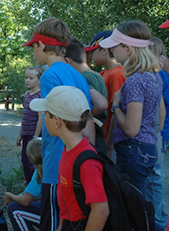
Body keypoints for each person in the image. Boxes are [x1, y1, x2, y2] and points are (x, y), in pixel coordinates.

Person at [22, 17, 92, 231]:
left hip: (58, 165)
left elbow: (57, 121)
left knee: (53, 223)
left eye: (33, 46)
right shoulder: (77, 74)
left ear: (41, 45)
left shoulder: (50, 75)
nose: (33, 52)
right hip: (77, 158)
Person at [99, 20, 165, 197]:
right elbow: (160, 114)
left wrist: (116, 106)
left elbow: (131, 129)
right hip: (148, 147)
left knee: (132, 206)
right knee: (143, 202)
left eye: (114, 46)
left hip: (133, 151)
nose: (111, 51)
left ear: (128, 48)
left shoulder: (135, 81)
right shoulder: (154, 76)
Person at [29, 86, 109, 231]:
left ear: (57, 121)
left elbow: (101, 210)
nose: (44, 119)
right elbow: (66, 203)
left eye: (46, 114)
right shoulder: (67, 150)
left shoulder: (87, 162)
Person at [85, 30, 126, 159]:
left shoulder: (117, 74)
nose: (90, 55)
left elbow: (116, 109)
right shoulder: (103, 74)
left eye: (92, 51)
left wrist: (110, 144)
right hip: (104, 134)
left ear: (104, 50)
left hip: (111, 138)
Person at [65, 37, 108, 154]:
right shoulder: (96, 75)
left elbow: (101, 104)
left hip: (93, 136)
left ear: (67, 61)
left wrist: (88, 116)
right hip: (100, 134)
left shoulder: (82, 78)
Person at [147, 36, 169, 231]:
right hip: (160, 133)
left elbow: (161, 106)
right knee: (156, 177)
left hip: (157, 133)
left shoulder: (157, 75)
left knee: (154, 178)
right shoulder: (160, 73)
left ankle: (158, 221)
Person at [4, 138, 42, 231]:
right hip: (61, 212)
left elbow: (26, 200)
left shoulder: (40, 172)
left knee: (14, 209)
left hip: (55, 219)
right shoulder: (53, 163)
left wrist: (10, 196)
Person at [16, 66, 43, 184]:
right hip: (26, 134)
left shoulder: (40, 96)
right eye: (26, 77)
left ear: (39, 80)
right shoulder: (27, 95)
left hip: (34, 135)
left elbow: (40, 118)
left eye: (31, 78)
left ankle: (36, 188)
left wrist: (36, 137)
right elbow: (25, 117)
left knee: (33, 162)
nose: (27, 80)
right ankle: (28, 186)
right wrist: (20, 135)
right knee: (24, 160)